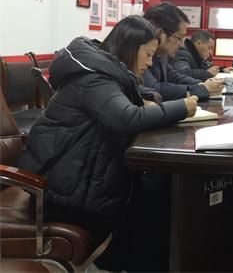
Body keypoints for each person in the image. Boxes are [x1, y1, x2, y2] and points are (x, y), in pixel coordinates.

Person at [16, 16, 199, 269]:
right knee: (152, 196)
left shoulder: (105, 72)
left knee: (154, 190)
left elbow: (131, 100)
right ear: (130, 48)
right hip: (61, 191)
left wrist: (148, 100)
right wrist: (182, 107)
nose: (149, 63)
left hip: (81, 177)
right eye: (147, 55)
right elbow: (127, 118)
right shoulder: (94, 78)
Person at [142, 2, 223, 101]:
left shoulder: (162, 54)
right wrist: (201, 89)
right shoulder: (137, 52)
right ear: (161, 34)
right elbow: (154, 89)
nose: (181, 44)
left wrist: (201, 84)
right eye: (179, 38)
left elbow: (175, 76)